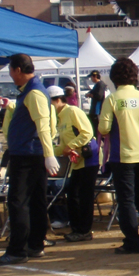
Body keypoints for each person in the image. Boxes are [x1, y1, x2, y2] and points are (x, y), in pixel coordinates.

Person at [0, 54, 59, 266]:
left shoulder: (34, 93)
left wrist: (49, 154)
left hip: (28, 155)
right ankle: (35, 243)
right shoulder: (31, 92)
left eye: (11, 71)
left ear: (18, 70)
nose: (11, 75)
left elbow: (44, 126)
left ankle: (18, 249)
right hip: (30, 154)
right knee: (35, 200)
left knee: (19, 201)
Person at [98, 57, 139, 255]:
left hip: (122, 156)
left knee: (126, 200)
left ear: (114, 78)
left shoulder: (112, 99)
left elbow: (103, 127)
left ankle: (133, 241)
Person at [47, 86, 99, 242]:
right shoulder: (59, 117)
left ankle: (84, 230)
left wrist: (72, 145)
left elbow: (87, 132)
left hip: (89, 158)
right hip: (77, 161)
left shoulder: (73, 111)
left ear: (57, 100)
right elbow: (62, 144)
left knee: (84, 196)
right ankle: (77, 228)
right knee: (73, 195)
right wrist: (48, 151)